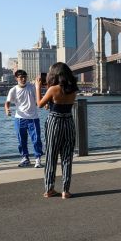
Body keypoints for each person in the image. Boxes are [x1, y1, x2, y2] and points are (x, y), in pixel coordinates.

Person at [35, 62, 78, 199]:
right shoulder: (73, 89)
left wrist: (37, 88)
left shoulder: (53, 89)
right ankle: (66, 190)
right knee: (67, 157)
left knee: (51, 156)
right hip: (69, 122)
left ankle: (49, 189)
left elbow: (40, 104)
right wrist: (51, 104)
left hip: (55, 122)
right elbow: (62, 103)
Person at [5, 69, 43, 168]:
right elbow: (7, 102)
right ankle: (25, 158)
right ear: (16, 78)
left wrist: (45, 104)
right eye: (21, 77)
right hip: (19, 118)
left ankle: (38, 159)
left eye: (25, 77)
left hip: (33, 118)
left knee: (36, 139)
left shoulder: (32, 87)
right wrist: (7, 109)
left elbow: (39, 99)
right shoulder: (13, 90)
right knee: (21, 140)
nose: (23, 79)